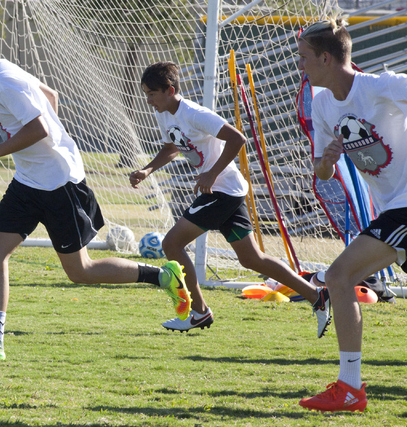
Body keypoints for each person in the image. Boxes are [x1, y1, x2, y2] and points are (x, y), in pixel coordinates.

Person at [0, 16, 191, 361]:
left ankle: (162, 276)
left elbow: (40, 128)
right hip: (30, 181)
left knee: (80, 272)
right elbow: (50, 95)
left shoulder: (5, 83)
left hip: (59, 184)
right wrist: (46, 149)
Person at [129, 61, 331, 337]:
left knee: (171, 243)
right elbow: (172, 147)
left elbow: (237, 138)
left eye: (151, 94)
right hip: (227, 192)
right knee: (252, 259)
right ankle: (317, 296)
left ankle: (199, 312)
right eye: (146, 95)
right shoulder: (164, 114)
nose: (148, 100)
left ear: (170, 90)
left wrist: (211, 174)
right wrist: (147, 169)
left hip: (221, 191)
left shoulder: (195, 113)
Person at [296, 18, 407, 413]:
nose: (300, 65)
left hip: (405, 207)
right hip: (394, 207)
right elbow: (320, 171)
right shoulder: (321, 101)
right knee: (341, 277)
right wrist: (326, 163)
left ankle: (350, 388)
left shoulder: (381, 86)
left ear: (326, 58)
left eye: (304, 57)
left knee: (339, 276)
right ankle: (350, 388)